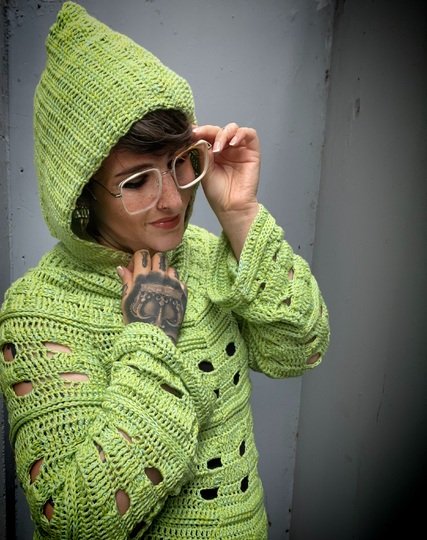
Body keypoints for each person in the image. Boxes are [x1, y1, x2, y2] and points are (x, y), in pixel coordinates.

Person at [0, 2, 330, 539]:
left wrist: (240, 215)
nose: (173, 200)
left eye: (179, 163)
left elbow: (299, 351)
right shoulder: (38, 310)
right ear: (81, 195)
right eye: (136, 182)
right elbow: (75, 522)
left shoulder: (203, 253)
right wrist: (151, 338)